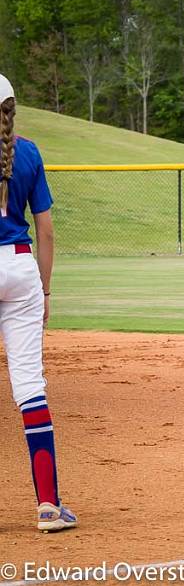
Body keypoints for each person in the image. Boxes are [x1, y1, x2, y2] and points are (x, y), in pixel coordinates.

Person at [0, 73, 77, 532]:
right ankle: (48, 506)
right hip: (22, 268)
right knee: (30, 386)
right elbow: (45, 229)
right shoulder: (27, 151)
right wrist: (45, 290)